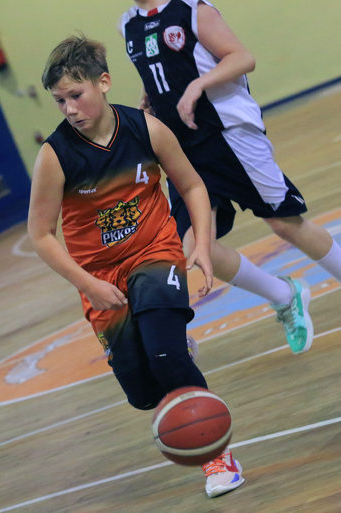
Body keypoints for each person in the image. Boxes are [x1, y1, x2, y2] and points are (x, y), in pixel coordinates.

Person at [27, 35, 244, 498]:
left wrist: (203, 246)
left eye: (76, 95)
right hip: (100, 276)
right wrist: (88, 284)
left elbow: (193, 186)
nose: (69, 109)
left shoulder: (147, 129)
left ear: (103, 82)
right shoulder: (55, 156)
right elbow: (41, 235)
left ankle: (219, 457)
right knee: (144, 393)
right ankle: (171, 344)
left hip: (154, 252)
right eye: (60, 101)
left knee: (166, 356)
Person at [120, 0, 341, 355]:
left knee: (284, 223)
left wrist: (198, 86)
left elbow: (241, 57)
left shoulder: (191, 9)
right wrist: (150, 102)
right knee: (197, 247)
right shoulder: (129, 25)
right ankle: (285, 295)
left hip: (227, 134)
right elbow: (160, 74)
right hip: (182, 149)